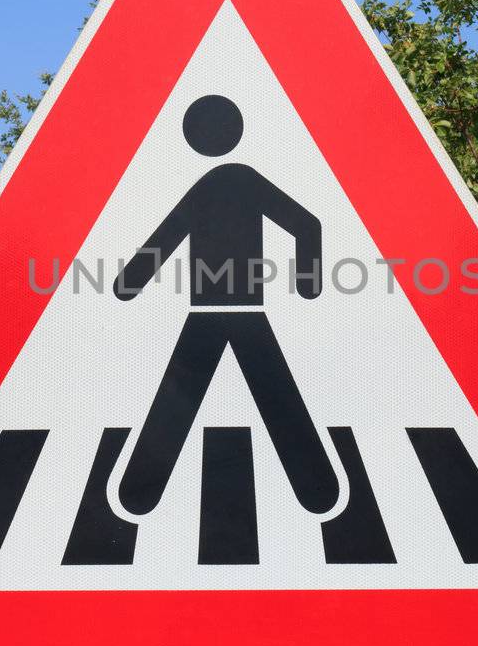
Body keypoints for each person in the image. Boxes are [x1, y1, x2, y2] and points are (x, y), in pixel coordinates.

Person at [113, 94, 338, 516]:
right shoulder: (239, 181)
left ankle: (137, 495)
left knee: (180, 401)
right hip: (240, 314)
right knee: (273, 397)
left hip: (215, 314)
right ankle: (319, 491)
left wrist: (128, 284)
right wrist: (306, 283)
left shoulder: (220, 184)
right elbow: (307, 226)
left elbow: (166, 238)